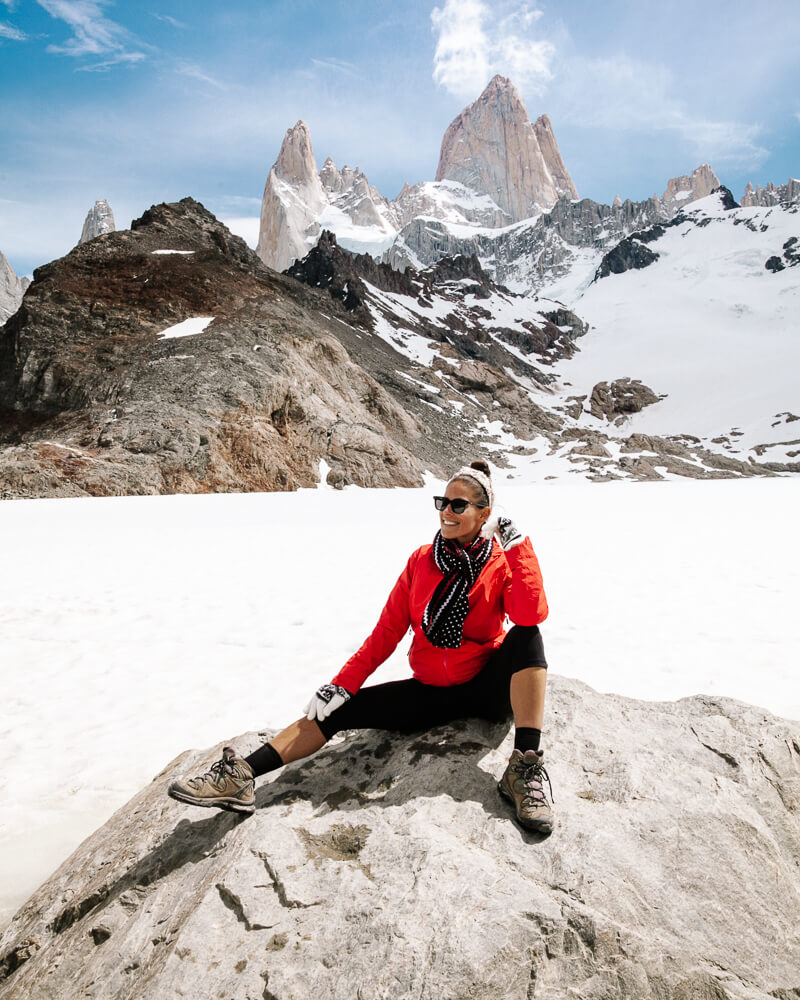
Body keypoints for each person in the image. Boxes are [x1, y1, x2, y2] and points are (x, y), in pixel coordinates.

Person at [168, 461, 553, 832]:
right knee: (336, 711)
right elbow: (386, 632)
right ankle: (242, 776)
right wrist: (342, 684)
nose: (446, 513)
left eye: (458, 505)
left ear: (484, 513)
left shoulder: (501, 563)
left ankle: (523, 767)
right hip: (430, 694)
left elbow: (530, 612)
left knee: (527, 637)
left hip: (485, 689)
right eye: (442, 503)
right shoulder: (422, 561)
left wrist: (516, 542)